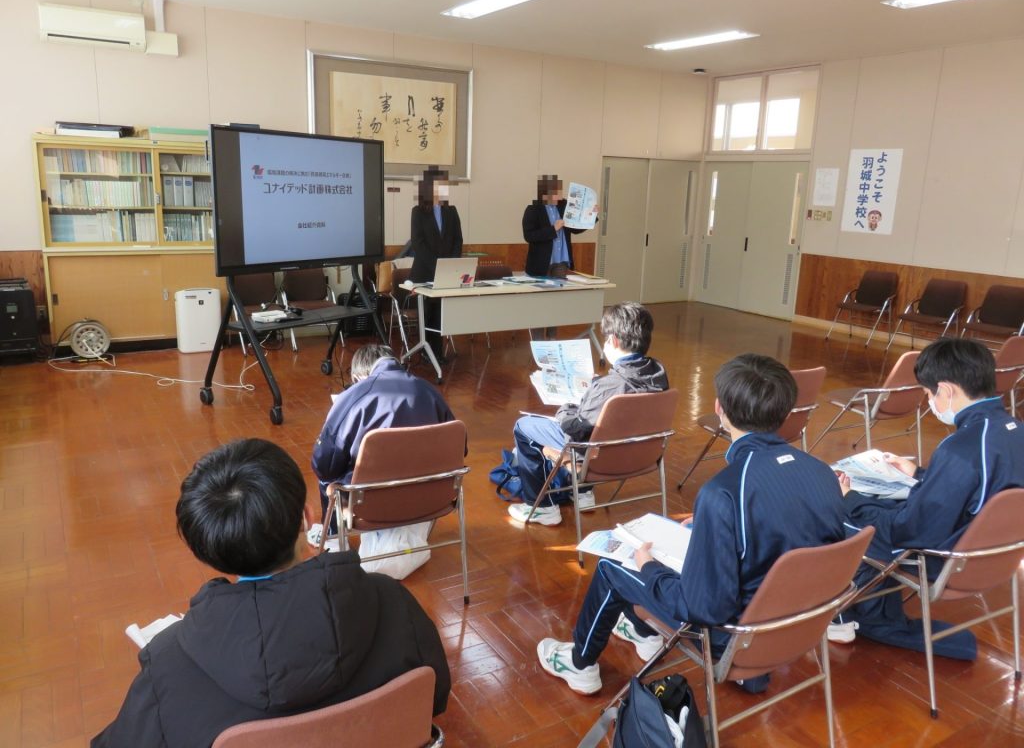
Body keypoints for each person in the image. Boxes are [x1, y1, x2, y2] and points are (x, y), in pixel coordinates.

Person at [93, 439, 450, 748]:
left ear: (209, 553)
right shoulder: (393, 602)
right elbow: (433, 698)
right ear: (306, 518)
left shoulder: (167, 664)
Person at [535, 354, 847, 695]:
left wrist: (650, 568)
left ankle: (580, 665)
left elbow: (704, 607)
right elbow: (789, 535)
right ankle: (643, 629)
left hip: (731, 636)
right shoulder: (822, 473)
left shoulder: (722, 493)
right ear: (788, 413)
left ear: (720, 410)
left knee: (614, 567)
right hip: (799, 627)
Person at [834, 337, 1024, 658]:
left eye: (927, 393)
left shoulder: (959, 449)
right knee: (885, 504)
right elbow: (986, 488)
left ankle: (856, 612)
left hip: (946, 560)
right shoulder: (1014, 428)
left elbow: (910, 531)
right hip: (998, 555)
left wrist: (851, 498)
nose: (928, 401)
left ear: (946, 390)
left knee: (840, 513)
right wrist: (920, 475)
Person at [507, 302, 669, 527]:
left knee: (524, 426)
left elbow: (575, 429)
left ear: (613, 341)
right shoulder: (658, 374)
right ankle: (582, 494)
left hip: (599, 460)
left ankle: (542, 507)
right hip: (640, 456)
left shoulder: (609, 387)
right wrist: (596, 387)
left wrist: (567, 407)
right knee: (600, 431)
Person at [310, 343, 455, 545]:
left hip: (369, 505)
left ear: (359, 375)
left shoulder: (354, 396)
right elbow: (457, 450)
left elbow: (323, 465)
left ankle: (333, 540)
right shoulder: (430, 391)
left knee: (327, 478)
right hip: (431, 499)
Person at [522, 174, 592, 339]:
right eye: (555, 193)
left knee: (555, 303)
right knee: (539, 304)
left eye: (559, 192)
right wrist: (552, 229)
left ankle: (552, 337)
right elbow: (529, 235)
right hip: (541, 265)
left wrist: (590, 216)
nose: (559, 196)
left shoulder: (564, 207)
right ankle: (538, 341)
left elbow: (576, 228)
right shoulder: (533, 209)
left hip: (560, 263)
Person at [410, 166, 463, 363]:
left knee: (441, 314)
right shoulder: (418, 212)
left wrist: (451, 265)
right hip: (425, 271)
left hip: (446, 274)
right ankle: (426, 351)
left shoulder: (451, 210)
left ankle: (438, 353)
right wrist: (438, 266)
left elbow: (458, 240)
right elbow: (418, 243)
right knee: (427, 312)